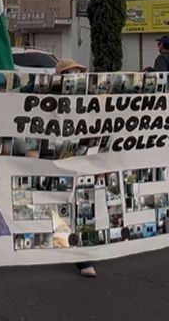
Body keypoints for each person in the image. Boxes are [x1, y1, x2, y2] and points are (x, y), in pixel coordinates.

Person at [55, 58, 98, 278]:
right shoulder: (52, 100)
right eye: (70, 73)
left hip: (82, 155)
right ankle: (73, 249)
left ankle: (82, 251)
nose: (75, 76)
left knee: (83, 201)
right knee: (62, 201)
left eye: (77, 72)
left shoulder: (86, 98)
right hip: (59, 155)